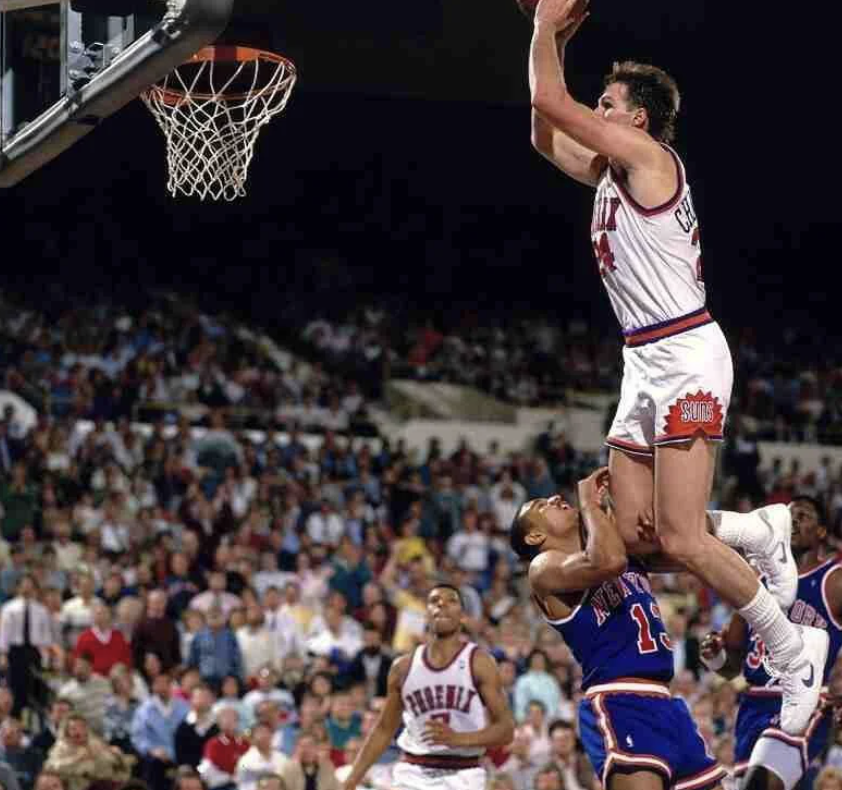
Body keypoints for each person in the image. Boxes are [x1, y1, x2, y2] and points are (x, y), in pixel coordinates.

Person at [524, 0, 826, 735]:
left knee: (686, 540)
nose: (596, 109)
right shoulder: (608, 170)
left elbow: (548, 99)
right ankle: (755, 532)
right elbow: (543, 131)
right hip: (643, 360)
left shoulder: (651, 161)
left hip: (686, 350)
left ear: (639, 120)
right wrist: (550, 37)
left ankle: (794, 652)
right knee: (634, 539)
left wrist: (541, 26)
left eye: (609, 102)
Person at [511, 467, 727, 790]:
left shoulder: (611, 542)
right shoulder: (543, 568)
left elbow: (685, 551)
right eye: (541, 505)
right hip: (619, 699)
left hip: (666, 702)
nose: (556, 497)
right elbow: (609, 561)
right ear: (534, 536)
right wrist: (588, 503)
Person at [700, 496, 842, 790]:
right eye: (790, 515)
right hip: (752, 706)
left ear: (822, 532)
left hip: (803, 698)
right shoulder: (754, 582)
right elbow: (731, 668)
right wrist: (715, 656)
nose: (794, 521)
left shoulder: (833, 580)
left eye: (804, 516)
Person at [340, 584, 514, 790]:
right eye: (434, 601)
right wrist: (351, 779)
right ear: (426, 615)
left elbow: (505, 730)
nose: (442, 604)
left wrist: (459, 739)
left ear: (463, 617)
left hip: (464, 772)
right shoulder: (402, 667)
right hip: (413, 770)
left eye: (451, 601)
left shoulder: (479, 662)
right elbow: (384, 729)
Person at [0, 574, 54, 717]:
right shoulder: (9, 608)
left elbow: (46, 636)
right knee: (16, 688)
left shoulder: (41, 610)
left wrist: (46, 656)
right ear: (18, 587)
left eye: (30, 584)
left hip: (34, 651)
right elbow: (4, 633)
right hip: (15, 651)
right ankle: (15, 718)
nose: (26, 587)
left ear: (35, 588)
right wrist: (3, 654)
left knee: (35, 689)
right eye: (23, 584)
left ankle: (34, 721)